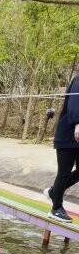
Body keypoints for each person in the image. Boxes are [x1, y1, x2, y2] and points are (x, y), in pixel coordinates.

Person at [43, 72, 79, 224]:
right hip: (68, 134)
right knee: (64, 171)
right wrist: (78, 124)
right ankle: (56, 208)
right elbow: (75, 103)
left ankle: (53, 192)